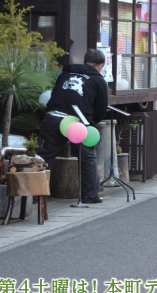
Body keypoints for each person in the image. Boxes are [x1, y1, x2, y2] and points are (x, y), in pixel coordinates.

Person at [36, 49, 108, 204]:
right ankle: (89, 196)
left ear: (84, 61)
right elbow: (101, 109)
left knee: (44, 156)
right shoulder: (99, 80)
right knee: (86, 158)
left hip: (53, 117)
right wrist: (90, 123)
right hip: (77, 123)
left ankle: (32, 195)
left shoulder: (65, 74)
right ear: (101, 65)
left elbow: (55, 93)